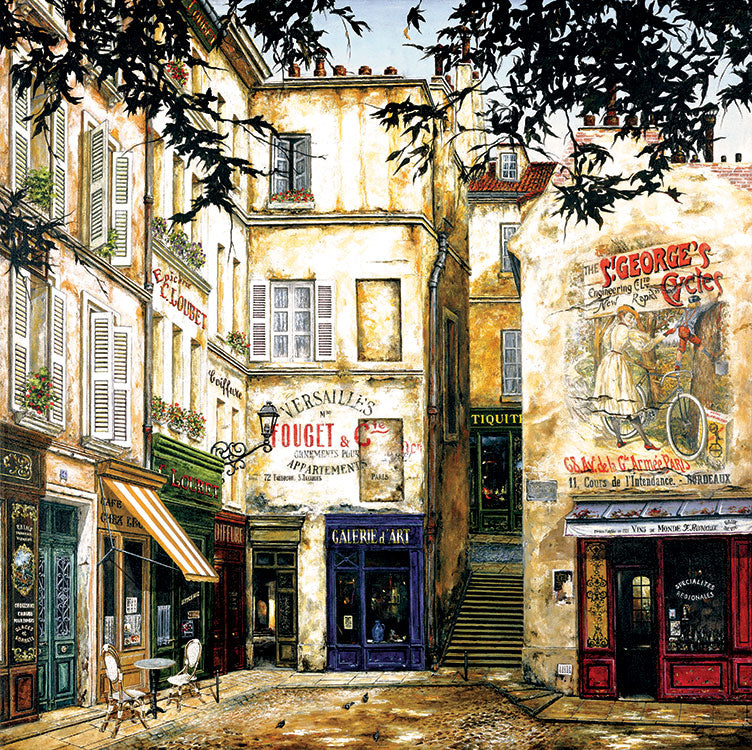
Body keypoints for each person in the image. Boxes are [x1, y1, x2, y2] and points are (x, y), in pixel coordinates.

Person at [593, 305, 665, 450]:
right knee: (628, 402)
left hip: (609, 363)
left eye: (632, 318)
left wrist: (634, 361)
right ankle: (647, 443)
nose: (631, 321)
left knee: (615, 401)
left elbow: (616, 348)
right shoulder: (625, 330)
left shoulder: (613, 330)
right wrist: (663, 336)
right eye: (629, 317)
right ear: (621, 317)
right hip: (617, 366)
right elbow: (646, 346)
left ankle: (619, 440)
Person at [663, 292, 720, 370]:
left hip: (681, 330)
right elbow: (707, 306)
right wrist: (715, 300)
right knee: (698, 343)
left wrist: (672, 330)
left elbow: (679, 321)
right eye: (698, 301)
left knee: (681, 348)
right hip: (688, 331)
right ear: (696, 303)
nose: (700, 302)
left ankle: (677, 365)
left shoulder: (685, 311)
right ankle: (710, 356)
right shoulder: (698, 309)